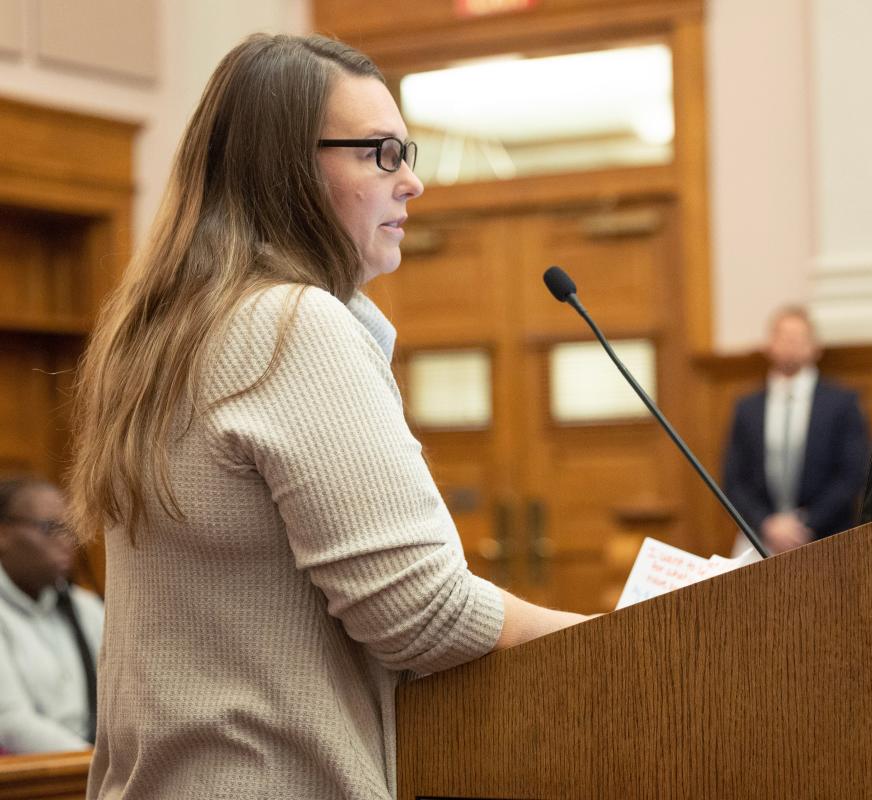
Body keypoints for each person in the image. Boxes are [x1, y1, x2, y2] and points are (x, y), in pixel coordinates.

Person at [67, 33, 590, 799]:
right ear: (285, 169)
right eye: (379, 153)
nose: (411, 182)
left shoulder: (168, 330)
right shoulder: (291, 325)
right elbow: (423, 612)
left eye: (407, 151)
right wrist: (616, 634)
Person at [723, 306, 869, 555]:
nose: (790, 343)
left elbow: (851, 474)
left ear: (816, 347)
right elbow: (734, 479)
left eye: (799, 337)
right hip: (761, 537)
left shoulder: (842, 404)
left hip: (827, 537)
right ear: (768, 345)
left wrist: (806, 524)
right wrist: (767, 524)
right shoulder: (747, 408)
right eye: (782, 336)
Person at [0, 478, 102, 753]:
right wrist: (94, 765)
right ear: (4, 533)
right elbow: (9, 722)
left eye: (69, 530)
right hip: (34, 781)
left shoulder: (87, 608)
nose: (66, 542)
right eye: (50, 528)